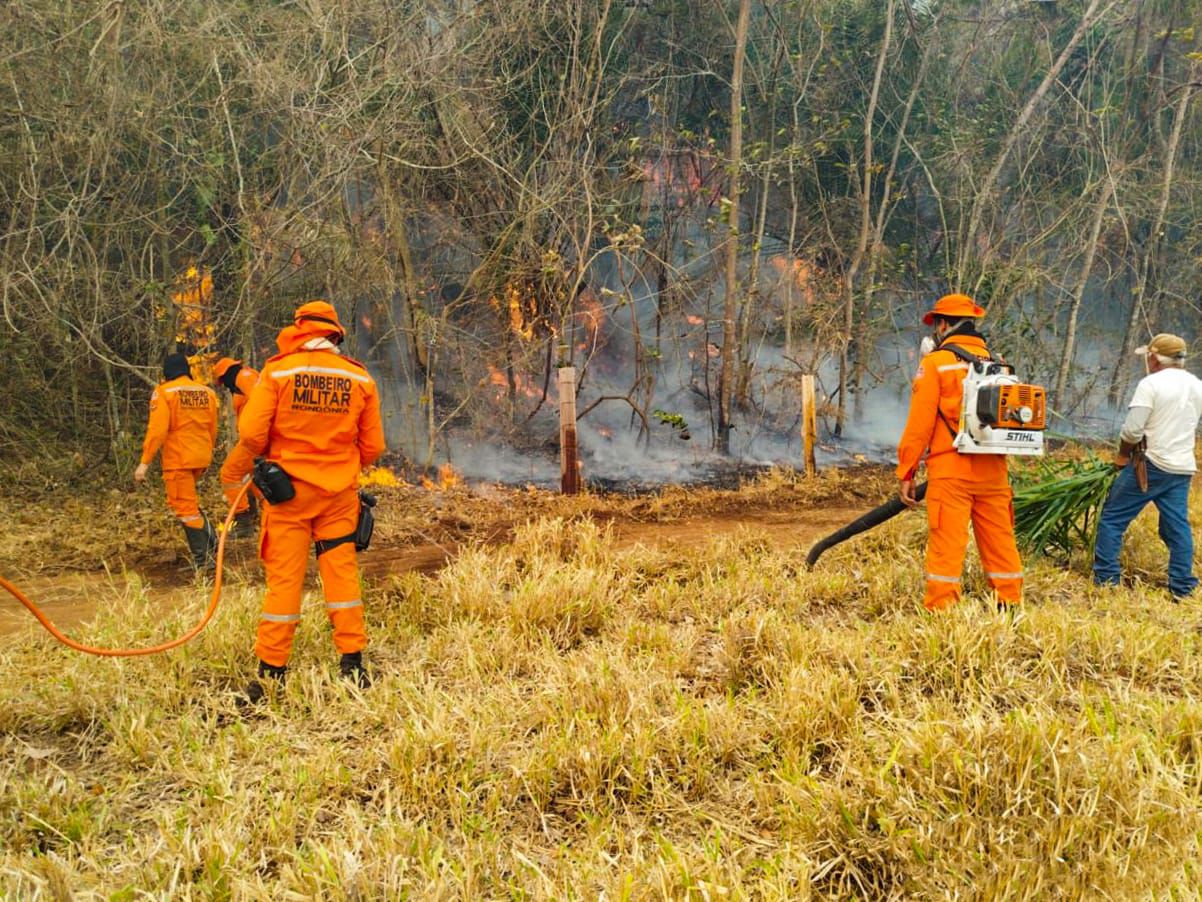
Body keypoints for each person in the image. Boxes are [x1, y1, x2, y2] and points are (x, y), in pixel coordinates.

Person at [229, 300, 385, 700]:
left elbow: (250, 435)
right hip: (338, 497)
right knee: (342, 577)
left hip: (288, 497)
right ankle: (353, 665)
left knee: (284, 582)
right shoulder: (360, 379)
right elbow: (373, 446)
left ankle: (271, 673)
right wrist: (340, 464)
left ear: (298, 329)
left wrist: (272, 459)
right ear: (335, 334)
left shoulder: (278, 370)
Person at [897, 293, 1024, 612]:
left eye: (936, 325)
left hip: (951, 472)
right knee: (1000, 542)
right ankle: (1009, 604)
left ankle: (940, 611)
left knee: (947, 546)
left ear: (942, 324)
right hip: (994, 472)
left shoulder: (936, 364)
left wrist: (906, 472)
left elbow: (919, 426)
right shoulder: (999, 364)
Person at [1093, 333, 1202, 601]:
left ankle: (1106, 580)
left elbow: (1131, 431)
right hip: (1182, 467)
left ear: (1155, 358)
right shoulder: (1197, 385)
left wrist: (1121, 456)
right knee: (1176, 528)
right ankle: (1183, 587)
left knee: (1111, 519)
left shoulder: (1150, 384)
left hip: (1151, 465)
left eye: (1148, 356)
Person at [134, 352, 220, 570]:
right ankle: (212, 548)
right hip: (201, 456)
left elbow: (157, 430)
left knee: (184, 508)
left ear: (166, 372)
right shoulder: (206, 392)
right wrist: (207, 451)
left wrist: (144, 462)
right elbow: (212, 428)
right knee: (188, 504)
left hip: (179, 459)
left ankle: (205, 561)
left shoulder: (164, 393)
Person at [212, 357, 261, 537]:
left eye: (223, 382)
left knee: (229, 473)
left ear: (227, 374)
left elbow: (262, 402)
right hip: (254, 437)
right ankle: (271, 512)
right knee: (252, 476)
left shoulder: (244, 377)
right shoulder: (244, 381)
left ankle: (243, 522)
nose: (224, 386)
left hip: (255, 439)